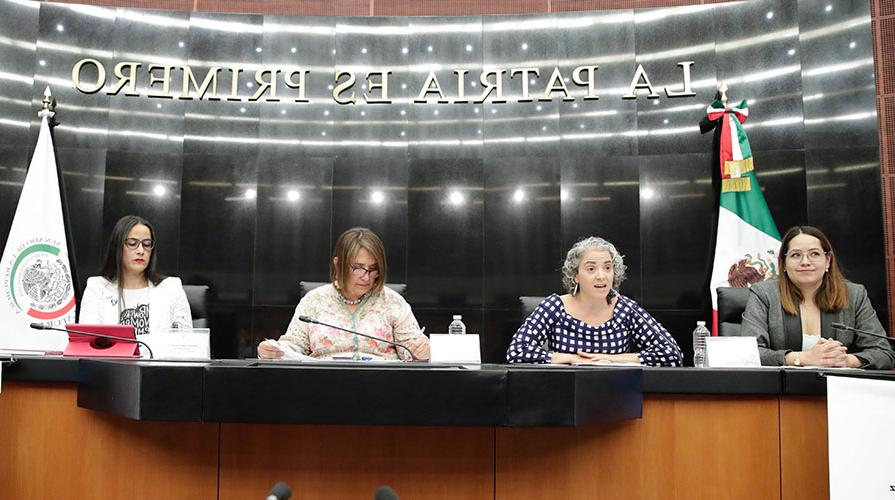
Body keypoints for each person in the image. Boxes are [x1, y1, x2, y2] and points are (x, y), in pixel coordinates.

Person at [258, 227, 430, 361]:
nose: (366, 277)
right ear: (338, 264)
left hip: (382, 385)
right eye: (357, 268)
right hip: (322, 385)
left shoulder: (392, 301)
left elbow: (411, 348)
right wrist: (274, 350)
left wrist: (421, 350)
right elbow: (294, 345)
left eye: (373, 269)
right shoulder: (314, 300)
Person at [506, 236, 683, 366]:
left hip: (618, 397)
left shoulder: (625, 308)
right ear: (575, 276)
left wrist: (611, 360)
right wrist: (571, 359)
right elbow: (517, 351)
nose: (601, 276)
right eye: (591, 268)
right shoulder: (554, 307)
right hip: (564, 397)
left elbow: (672, 353)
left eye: (607, 268)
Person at [742, 225, 895, 369]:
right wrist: (801, 358)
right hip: (780, 393)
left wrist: (847, 360)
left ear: (827, 260)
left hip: (840, 388)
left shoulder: (854, 295)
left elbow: (884, 353)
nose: (805, 262)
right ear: (783, 263)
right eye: (796, 255)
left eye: (814, 254)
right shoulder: (764, 294)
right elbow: (750, 354)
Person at [79, 215, 192, 335]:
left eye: (147, 244)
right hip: (112, 354)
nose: (141, 251)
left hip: (160, 354)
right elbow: (88, 342)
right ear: (117, 247)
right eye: (132, 243)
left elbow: (185, 341)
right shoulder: (97, 288)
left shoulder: (172, 288)